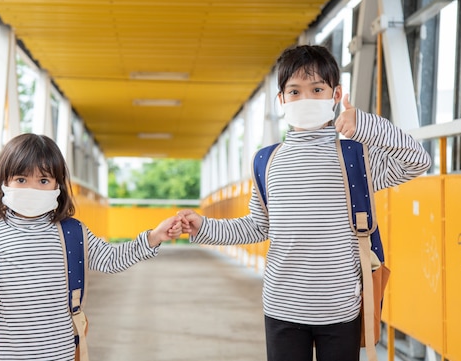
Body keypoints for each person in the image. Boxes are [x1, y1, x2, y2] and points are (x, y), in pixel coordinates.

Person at [178, 44, 431, 361]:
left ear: (336, 95)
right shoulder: (266, 161)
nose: (306, 99)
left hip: (342, 307)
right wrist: (204, 226)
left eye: (317, 89)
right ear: (282, 99)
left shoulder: (356, 157)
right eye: (295, 91)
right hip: (282, 305)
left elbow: (417, 161)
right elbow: (258, 226)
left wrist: (365, 124)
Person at [0, 133, 182, 361]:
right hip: (2, 353)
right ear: (4, 182)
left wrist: (153, 237)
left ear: (57, 186)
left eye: (43, 180)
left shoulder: (72, 233)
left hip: (60, 352)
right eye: (21, 179)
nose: (32, 189)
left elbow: (111, 259)